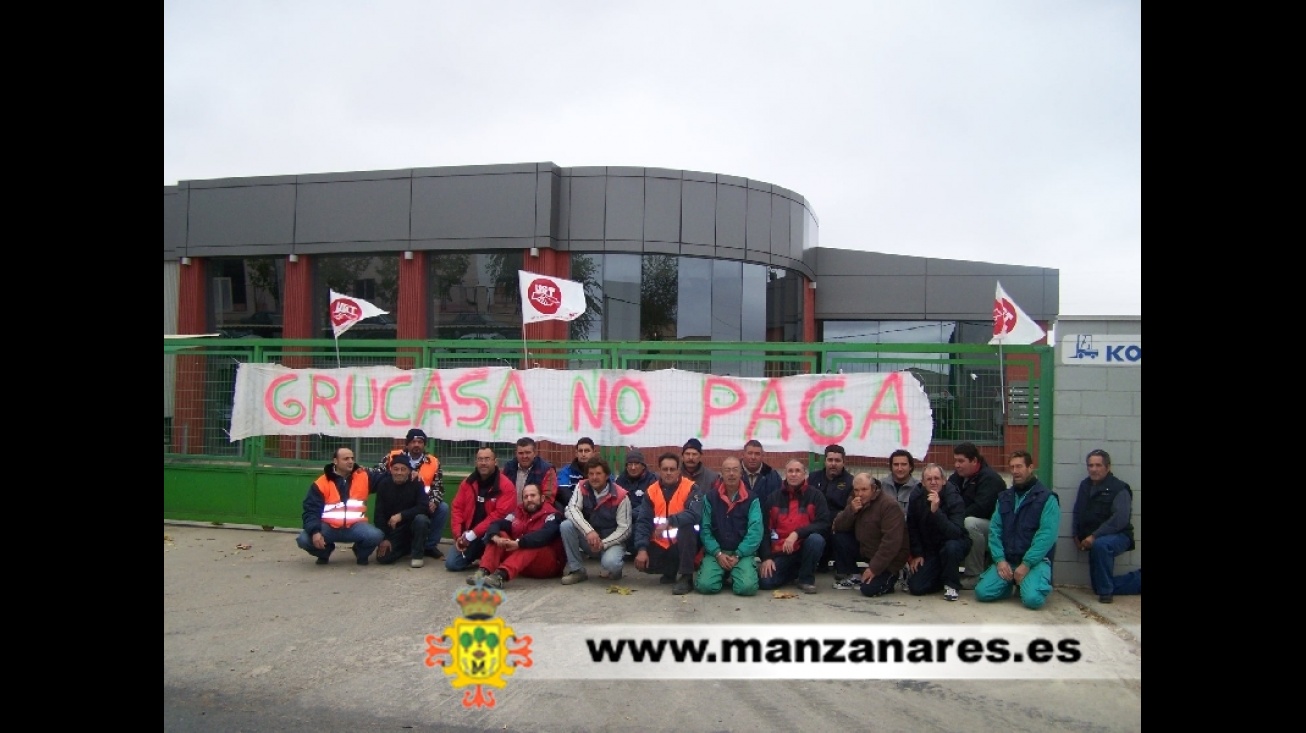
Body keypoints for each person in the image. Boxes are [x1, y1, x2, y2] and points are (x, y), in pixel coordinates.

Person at [974, 451, 1059, 610]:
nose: (1015, 471)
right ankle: (1008, 585)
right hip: (1008, 561)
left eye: (1019, 466)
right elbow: (995, 530)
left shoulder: (1047, 498)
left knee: (1033, 600)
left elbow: (1046, 536)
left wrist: (1027, 564)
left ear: (1030, 468)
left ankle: (1031, 582)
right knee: (982, 592)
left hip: (1034, 563)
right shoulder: (1004, 497)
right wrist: (999, 560)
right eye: (1012, 467)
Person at [295, 446, 386, 565]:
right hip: (328, 527)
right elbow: (311, 510)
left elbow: (388, 479)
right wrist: (315, 532)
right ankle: (324, 552)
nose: (350, 461)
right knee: (304, 539)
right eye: (346, 459)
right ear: (335, 461)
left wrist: (403, 469)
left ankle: (361, 554)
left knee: (376, 535)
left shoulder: (364, 476)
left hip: (355, 527)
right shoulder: (322, 482)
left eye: (352, 458)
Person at [1072, 449, 1141, 604]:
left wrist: (1094, 536)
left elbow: (1119, 520)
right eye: (1090, 465)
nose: (1094, 469)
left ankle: (1106, 593)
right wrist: (1076, 535)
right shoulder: (1085, 485)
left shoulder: (1119, 488)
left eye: (1098, 465)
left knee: (1101, 545)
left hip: (1119, 536)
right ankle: (1135, 581)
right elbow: (1078, 511)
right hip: (1094, 539)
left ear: (1108, 467)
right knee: (1097, 585)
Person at [466, 483, 565, 588]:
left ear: (542, 498)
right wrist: (495, 537)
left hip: (547, 566)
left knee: (532, 543)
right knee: (500, 534)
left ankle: (499, 577)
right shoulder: (518, 512)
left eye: (533, 495)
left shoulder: (553, 515)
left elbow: (545, 535)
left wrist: (519, 543)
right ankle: (483, 572)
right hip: (523, 565)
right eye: (526, 497)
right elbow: (497, 524)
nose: (529, 499)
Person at [633, 452, 704, 595]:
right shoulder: (651, 491)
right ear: (659, 471)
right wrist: (641, 549)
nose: (668, 473)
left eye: (672, 469)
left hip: (684, 545)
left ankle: (686, 576)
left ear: (679, 470)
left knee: (688, 527)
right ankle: (669, 572)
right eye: (665, 469)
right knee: (645, 563)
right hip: (660, 544)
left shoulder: (691, 488)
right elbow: (643, 522)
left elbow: (695, 514)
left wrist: (670, 521)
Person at [758, 459, 831, 594]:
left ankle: (806, 579)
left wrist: (797, 533)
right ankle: (793, 572)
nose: (794, 474)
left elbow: (824, 523)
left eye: (798, 471)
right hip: (781, 551)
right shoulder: (773, 498)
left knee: (816, 539)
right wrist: (766, 558)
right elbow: (764, 531)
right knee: (765, 582)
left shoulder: (816, 496)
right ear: (785, 474)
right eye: (790, 471)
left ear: (804, 474)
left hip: (805, 548)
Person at [830, 473, 908, 596]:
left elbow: (891, 543)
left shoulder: (889, 505)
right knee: (840, 537)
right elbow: (837, 526)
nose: (860, 494)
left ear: (873, 488)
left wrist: (874, 568)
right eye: (856, 490)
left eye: (864, 490)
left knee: (868, 590)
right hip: (866, 549)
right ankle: (854, 574)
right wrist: (851, 511)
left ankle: (894, 574)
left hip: (889, 557)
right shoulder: (854, 500)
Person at [695, 457, 763, 596]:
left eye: (735, 470)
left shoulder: (752, 499)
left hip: (742, 554)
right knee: (705, 586)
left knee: (747, 589)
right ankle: (724, 574)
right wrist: (717, 553)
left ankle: (739, 572)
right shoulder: (710, 497)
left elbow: (755, 530)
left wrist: (738, 554)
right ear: (722, 474)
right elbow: (705, 529)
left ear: (741, 474)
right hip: (716, 553)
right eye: (727, 470)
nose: (731, 474)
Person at [560, 457, 632, 584]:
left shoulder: (621, 496)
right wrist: (589, 531)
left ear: (607, 476)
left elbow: (625, 529)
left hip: (611, 542)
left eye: (598, 473)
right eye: (591, 474)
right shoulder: (581, 487)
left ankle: (613, 569)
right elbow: (571, 509)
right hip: (589, 539)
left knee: (611, 564)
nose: (594, 477)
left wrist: (603, 543)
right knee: (566, 526)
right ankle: (577, 570)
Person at [446, 446, 518, 572]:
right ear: (476, 462)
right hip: (470, 536)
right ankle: (478, 556)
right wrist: (459, 536)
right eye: (480, 459)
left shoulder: (506, 486)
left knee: (496, 539)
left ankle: (489, 561)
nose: (483, 463)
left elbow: (498, 516)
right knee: (452, 564)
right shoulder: (467, 483)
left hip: (491, 534)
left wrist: (473, 534)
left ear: (495, 462)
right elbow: (457, 508)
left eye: (487, 459)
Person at [904, 463, 970, 601]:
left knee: (951, 547)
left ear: (944, 480)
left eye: (937, 478)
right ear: (922, 482)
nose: (933, 482)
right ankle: (941, 578)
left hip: (953, 544)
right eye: (929, 479)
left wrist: (936, 511)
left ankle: (952, 585)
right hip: (931, 549)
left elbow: (956, 532)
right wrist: (917, 553)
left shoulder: (953, 497)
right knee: (916, 587)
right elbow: (912, 527)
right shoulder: (916, 497)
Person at [951, 442, 1006, 589]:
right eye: (955, 460)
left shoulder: (990, 479)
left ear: (974, 461)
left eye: (961, 461)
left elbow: (980, 509)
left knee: (969, 523)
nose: (957, 465)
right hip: (968, 524)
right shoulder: (959, 477)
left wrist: (954, 519)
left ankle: (974, 575)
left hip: (994, 530)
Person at [374, 457, 446, 568]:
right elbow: (379, 514)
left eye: (403, 469)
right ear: (391, 470)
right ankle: (407, 547)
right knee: (383, 559)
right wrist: (385, 539)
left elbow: (423, 507)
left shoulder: (416, 482)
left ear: (409, 471)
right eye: (396, 469)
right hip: (394, 529)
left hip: (412, 525)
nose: (399, 472)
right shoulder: (384, 485)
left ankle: (417, 556)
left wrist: (401, 516)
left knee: (422, 519)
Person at [808, 444, 854, 575]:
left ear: (843, 462)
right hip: (815, 523)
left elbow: (850, 510)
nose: (833, 464)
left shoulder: (851, 482)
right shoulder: (813, 478)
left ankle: (844, 571)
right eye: (830, 460)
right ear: (825, 461)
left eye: (837, 460)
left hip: (837, 525)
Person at [614, 449, 655, 557]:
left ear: (643, 466)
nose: (633, 467)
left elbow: (650, 504)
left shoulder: (652, 480)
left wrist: (630, 514)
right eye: (630, 464)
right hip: (623, 517)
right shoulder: (620, 480)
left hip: (642, 517)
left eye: (636, 464)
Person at [380, 428, 444, 497]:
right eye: (413, 442)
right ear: (407, 444)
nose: (416, 445)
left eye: (420, 442)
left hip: (423, 499)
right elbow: (379, 474)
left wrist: (433, 501)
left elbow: (438, 487)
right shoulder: (392, 456)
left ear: (424, 445)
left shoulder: (434, 462)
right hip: (396, 497)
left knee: (443, 507)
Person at [502, 437, 559, 507]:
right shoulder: (508, 467)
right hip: (509, 512)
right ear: (516, 454)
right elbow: (501, 492)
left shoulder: (547, 470)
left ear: (535, 453)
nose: (524, 456)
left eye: (528, 452)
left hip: (535, 512)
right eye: (520, 453)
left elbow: (548, 499)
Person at [555, 437, 596, 509]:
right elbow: (563, 492)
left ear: (593, 453)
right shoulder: (566, 471)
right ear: (576, 453)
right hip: (572, 509)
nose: (583, 454)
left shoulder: (602, 471)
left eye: (587, 451)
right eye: (580, 451)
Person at [740, 439, 781, 504]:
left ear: (762, 456)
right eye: (750, 453)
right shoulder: (733, 474)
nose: (753, 457)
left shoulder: (773, 477)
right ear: (743, 454)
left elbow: (778, 503)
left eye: (757, 454)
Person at [886, 449, 919, 518]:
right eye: (896, 465)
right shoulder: (880, 486)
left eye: (904, 464)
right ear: (891, 467)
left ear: (910, 467)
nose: (900, 468)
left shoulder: (919, 488)